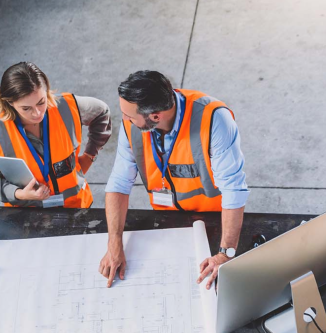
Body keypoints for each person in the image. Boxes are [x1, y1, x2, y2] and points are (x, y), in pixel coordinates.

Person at [99, 70, 249, 289]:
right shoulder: (131, 124)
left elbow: (234, 190)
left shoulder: (214, 120)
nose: (124, 120)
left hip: (214, 218)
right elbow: (119, 183)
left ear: (156, 116)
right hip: (167, 218)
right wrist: (114, 244)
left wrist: (225, 254)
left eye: (130, 116)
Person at [0, 62, 111, 208]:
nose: (37, 113)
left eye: (41, 102)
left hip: (76, 207)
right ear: (9, 103)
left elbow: (101, 112)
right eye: (26, 108)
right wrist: (19, 194)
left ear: (46, 91)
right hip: (29, 218)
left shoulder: (67, 107)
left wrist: (90, 155)